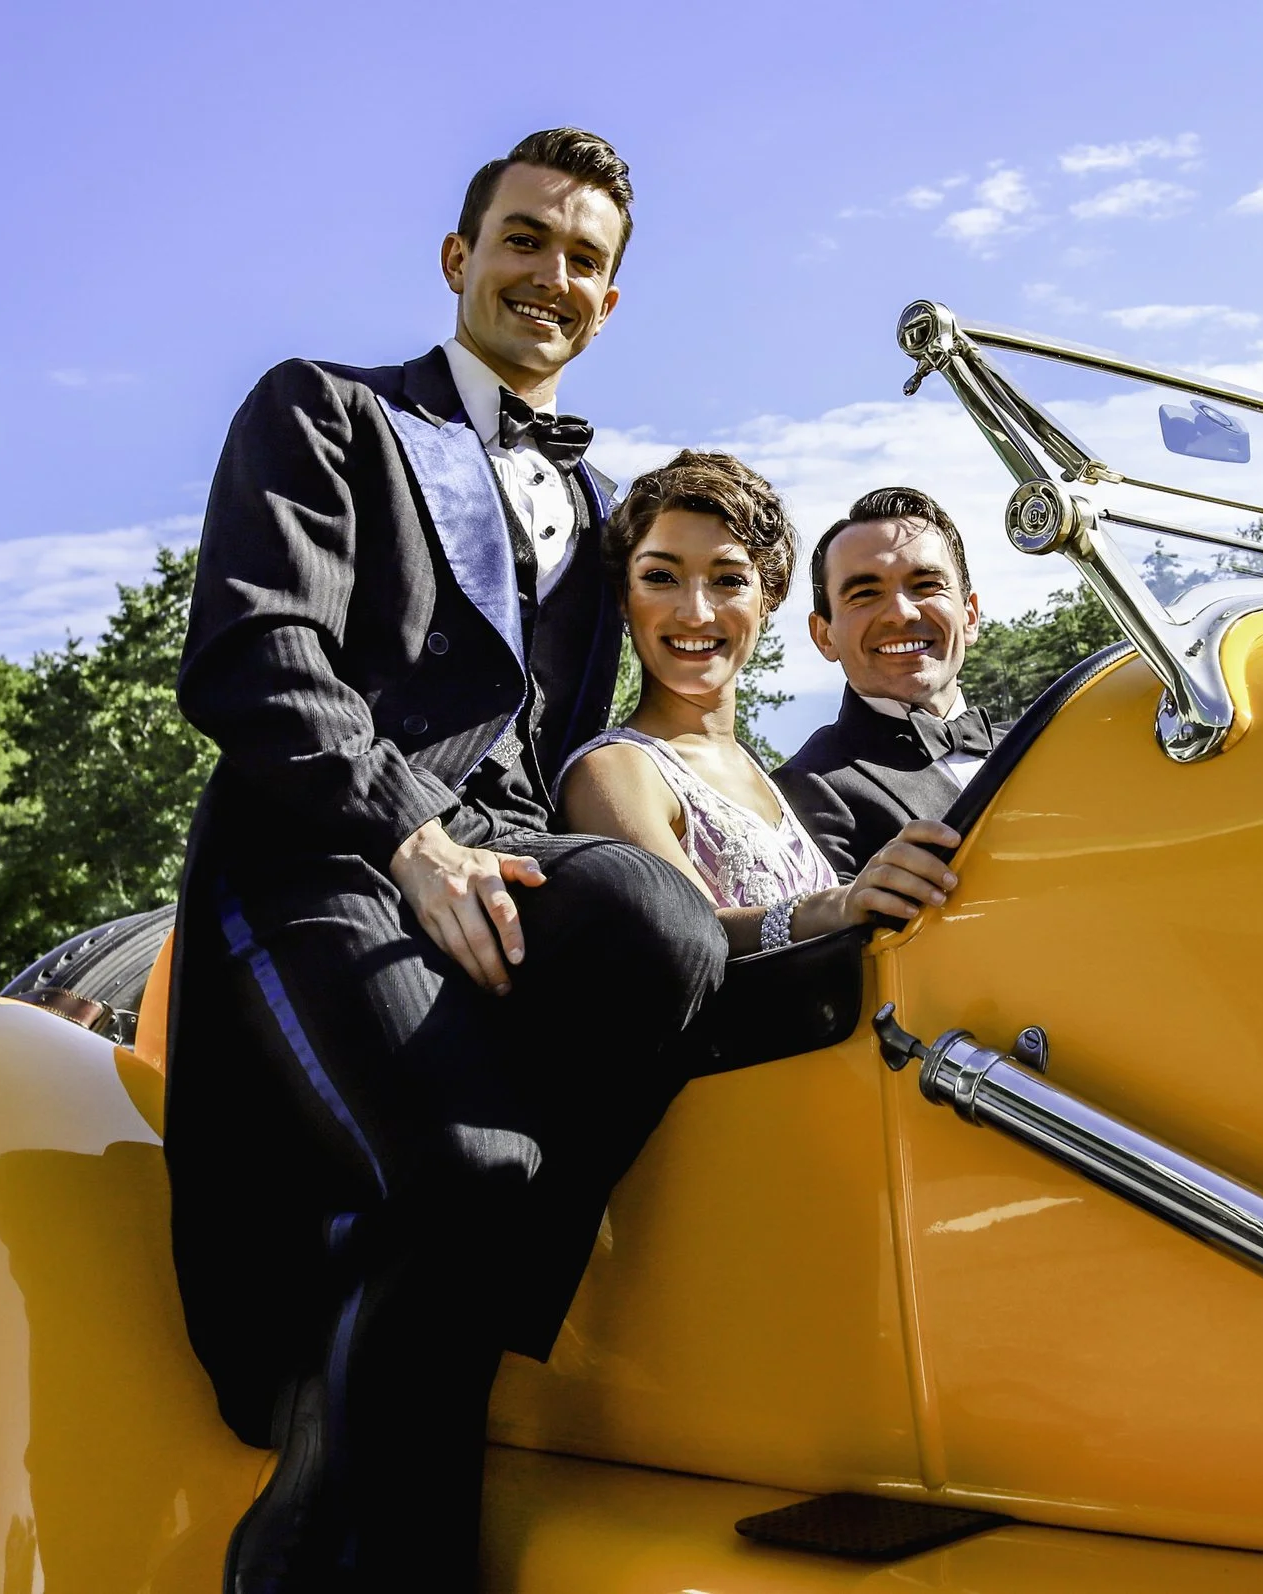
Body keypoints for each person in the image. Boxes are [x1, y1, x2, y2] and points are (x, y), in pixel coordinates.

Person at [170, 129, 727, 1593]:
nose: (552, 274)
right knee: (475, 1168)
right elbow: (253, 656)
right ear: (458, 259)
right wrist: (405, 836)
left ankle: (422, 1302)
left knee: (668, 925)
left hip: (498, 856)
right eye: (526, 239)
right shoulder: (324, 409)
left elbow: (555, 754)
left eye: (584, 259)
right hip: (319, 855)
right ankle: (321, 1516)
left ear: (611, 301)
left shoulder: (607, 516)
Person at [559, 452, 961, 949]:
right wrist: (839, 904)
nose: (695, 612)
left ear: (767, 600)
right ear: (624, 597)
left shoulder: (760, 776)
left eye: (728, 580)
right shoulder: (614, 770)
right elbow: (692, 940)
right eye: (661, 577)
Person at [772, 487, 1006, 876]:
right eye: (865, 593)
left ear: (970, 616)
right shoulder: (805, 789)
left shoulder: (1043, 748)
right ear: (824, 636)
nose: (900, 613)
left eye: (927, 585)